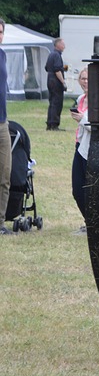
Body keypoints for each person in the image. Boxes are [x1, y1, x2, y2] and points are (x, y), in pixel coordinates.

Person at [70, 67, 89, 233]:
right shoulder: (81, 99)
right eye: (83, 79)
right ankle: (88, 221)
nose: (85, 82)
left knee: (89, 188)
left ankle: (92, 223)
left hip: (92, 148)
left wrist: (83, 118)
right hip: (79, 144)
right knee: (77, 189)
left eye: (89, 79)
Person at [0, 18, 11, 233]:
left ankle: (0, 223)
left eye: (0, 32)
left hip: (2, 122)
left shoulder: (3, 55)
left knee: (5, 175)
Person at [45, 37, 67, 129]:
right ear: (58, 45)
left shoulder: (51, 54)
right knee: (57, 102)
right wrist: (63, 82)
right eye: (63, 44)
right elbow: (57, 70)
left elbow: (46, 67)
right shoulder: (57, 55)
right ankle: (54, 124)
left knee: (52, 102)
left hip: (49, 79)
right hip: (56, 80)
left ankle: (49, 123)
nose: (64, 46)